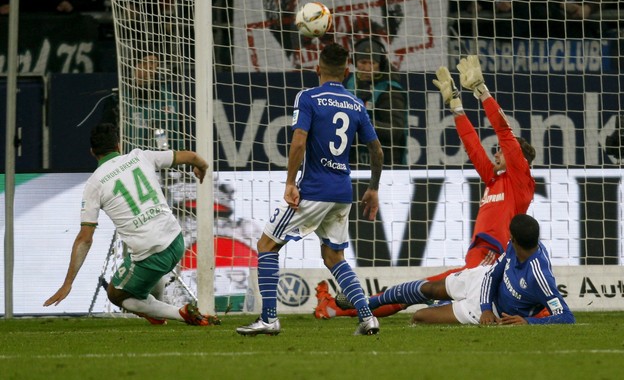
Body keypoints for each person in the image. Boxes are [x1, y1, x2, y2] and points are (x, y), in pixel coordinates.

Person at [314, 54, 536, 319]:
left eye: (502, 151)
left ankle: (345, 306)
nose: (497, 152)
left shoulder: (521, 181)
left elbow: (504, 133)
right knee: (416, 291)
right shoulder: (494, 180)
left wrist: (482, 92)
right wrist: (456, 107)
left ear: (518, 158)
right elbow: (473, 146)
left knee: (420, 292)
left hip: (491, 257)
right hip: (477, 256)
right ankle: (339, 309)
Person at [235, 43, 384, 336]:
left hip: (314, 189)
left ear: (317, 68)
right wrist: (373, 188)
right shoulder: (356, 104)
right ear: (347, 71)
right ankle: (368, 318)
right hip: (343, 191)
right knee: (334, 258)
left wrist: (290, 182)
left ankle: (268, 319)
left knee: (267, 245)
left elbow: (299, 141)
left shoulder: (308, 97)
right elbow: (377, 151)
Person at [44, 123, 220, 326]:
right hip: (176, 242)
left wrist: (68, 283)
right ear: (118, 146)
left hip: (152, 255)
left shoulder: (94, 184)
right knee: (138, 268)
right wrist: (202, 167)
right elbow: (191, 156)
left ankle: (180, 313)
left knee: (115, 293)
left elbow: (85, 238)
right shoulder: (140, 156)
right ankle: (156, 313)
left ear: (92, 152)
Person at [376, 214, 575, 325]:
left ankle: (440, 303)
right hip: (481, 283)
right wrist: (486, 308)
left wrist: (528, 322)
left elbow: (567, 316)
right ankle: (368, 303)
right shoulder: (512, 247)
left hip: (492, 311)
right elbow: (492, 275)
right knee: (429, 288)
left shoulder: (539, 276)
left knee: (420, 318)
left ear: (514, 239)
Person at [345, 37, 407, 167]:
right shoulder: (350, 83)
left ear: (381, 64)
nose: (367, 68)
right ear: (355, 62)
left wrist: (362, 124)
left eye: (372, 63)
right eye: (363, 62)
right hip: (353, 161)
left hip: (386, 163)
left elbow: (395, 131)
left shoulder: (390, 90)